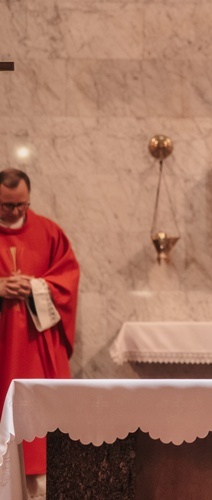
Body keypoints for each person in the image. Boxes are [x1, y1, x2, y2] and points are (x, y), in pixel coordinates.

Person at [0, 168, 80, 496]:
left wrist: (35, 286)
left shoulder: (49, 232)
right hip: (3, 344)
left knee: (41, 421)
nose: (16, 212)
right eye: (7, 206)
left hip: (36, 344)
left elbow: (68, 278)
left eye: (22, 205)